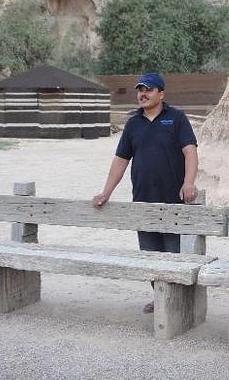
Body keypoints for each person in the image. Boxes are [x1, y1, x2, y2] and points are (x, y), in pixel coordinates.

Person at [92, 72, 198, 312]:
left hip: (173, 201)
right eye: (140, 89)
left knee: (173, 256)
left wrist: (188, 182)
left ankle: (177, 303)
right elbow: (121, 160)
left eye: (149, 90)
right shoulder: (133, 123)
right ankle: (162, 298)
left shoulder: (177, 118)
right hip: (143, 200)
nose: (143, 93)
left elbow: (190, 151)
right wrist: (106, 192)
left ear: (161, 94)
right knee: (149, 256)